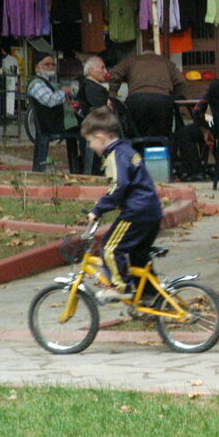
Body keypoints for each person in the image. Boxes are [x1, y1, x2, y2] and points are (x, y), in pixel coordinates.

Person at [81, 107, 164, 302]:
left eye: (90, 141)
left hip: (137, 213)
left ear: (100, 137)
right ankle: (152, 298)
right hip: (151, 211)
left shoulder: (115, 155)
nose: (91, 146)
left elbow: (119, 186)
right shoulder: (127, 150)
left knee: (110, 248)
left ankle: (120, 287)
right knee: (138, 257)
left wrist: (98, 209)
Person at [27, 51, 82, 172]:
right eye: (47, 64)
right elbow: (50, 101)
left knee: (84, 126)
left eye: (53, 64)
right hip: (52, 125)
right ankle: (86, 168)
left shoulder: (47, 82)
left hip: (54, 122)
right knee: (89, 130)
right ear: (37, 66)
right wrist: (63, 91)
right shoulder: (37, 84)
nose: (51, 67)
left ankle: (77, 168)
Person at [109, 51, 184, 138]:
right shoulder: (167, 62)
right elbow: (180, 81)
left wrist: (113, 95)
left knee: (137, 134)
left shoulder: (131, 60)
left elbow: (115, 74)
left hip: (137, 100)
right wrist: (174, 98)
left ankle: (139, 146)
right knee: (163, 135)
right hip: (162, 100)